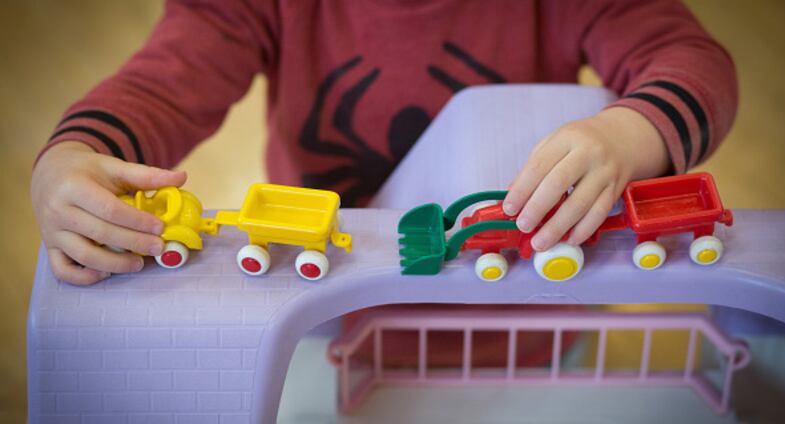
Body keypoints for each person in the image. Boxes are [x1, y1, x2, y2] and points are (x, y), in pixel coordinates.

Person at [31, 0, 737, 285]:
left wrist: (630, 131)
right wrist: (78, 153)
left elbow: (689, 59)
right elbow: (161, 86)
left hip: (530, 295)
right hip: (328, 301)